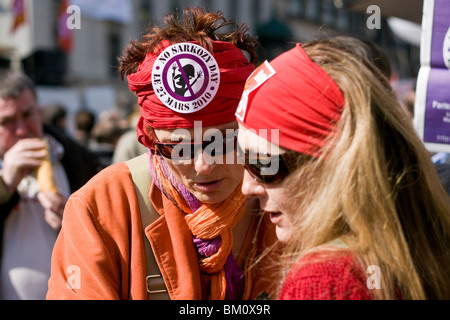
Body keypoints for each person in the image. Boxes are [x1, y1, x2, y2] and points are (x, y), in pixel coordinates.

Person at [47, 7, 279, 300]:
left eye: (222, 141)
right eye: (178, 147)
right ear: (152, 140)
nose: (203, 165)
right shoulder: (102, 207)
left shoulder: (285, 199)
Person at [236, 38, 450, 300]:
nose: (247, 187)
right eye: (243, 159)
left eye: (263, 164)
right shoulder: (425, 246)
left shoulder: (326, 280)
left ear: (334, 161)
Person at [0, 71, 101, 300]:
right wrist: (5, 184)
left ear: (40, 111)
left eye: (27, 114)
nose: (21, 130)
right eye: (6, 122)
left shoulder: (77, 160)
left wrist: (77, 219)